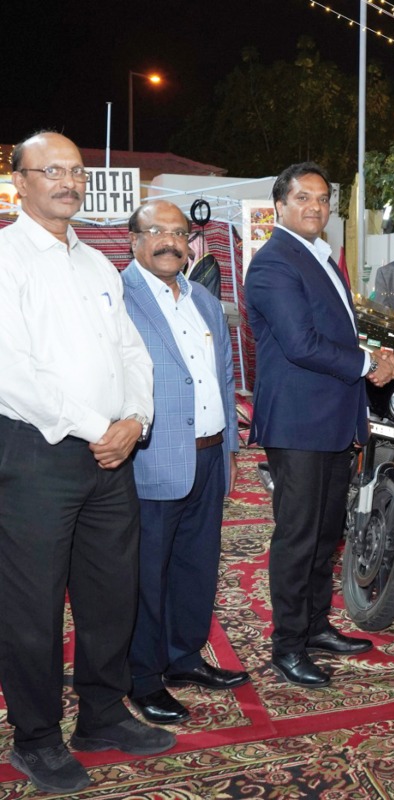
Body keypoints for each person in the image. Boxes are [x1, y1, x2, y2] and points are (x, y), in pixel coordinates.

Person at [0, 131, 172, 795]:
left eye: (75, 171)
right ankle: (36, 739)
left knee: (110, 595)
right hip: (35, 457)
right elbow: (13, 370)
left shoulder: (98, 264)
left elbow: (133, 355)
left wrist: (136, 421)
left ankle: (101, 716)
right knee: (31, 606)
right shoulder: (8, 257)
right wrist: (98, 426)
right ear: (20, 182)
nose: (68, 182)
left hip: (111, 457)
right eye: (52, 171)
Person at [244, 162, 394, 688]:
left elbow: (336, 331)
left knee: (326, 533)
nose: (315, 207)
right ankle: (287, 645)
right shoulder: (273, 263)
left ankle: (314, 626)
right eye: (303, 197)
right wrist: (366, 364)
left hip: (332, 419)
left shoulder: (319, 257)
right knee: (297, 537)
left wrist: (367, 353)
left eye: (323, 200)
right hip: (299, 422)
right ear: (280, 205)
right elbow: (301, 343)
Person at [122, 200, 250, 725]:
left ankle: (183, 658)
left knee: (196, 566)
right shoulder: (117, 298)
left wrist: (230, 449)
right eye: (156, 231)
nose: (170, 241)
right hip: (151, 460)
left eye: (178, 232)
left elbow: (221, 376)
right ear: (134, 239)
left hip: (208, 454)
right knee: (145, 575)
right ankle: (143, 677)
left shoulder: (201, 297)